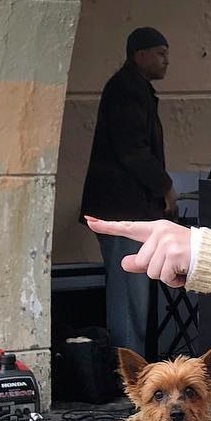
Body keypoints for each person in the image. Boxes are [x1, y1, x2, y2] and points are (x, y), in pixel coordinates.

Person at [80, 27, 176, 357]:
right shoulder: (127, 89)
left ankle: (132, 365)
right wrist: (165, 187)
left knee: (132, 292)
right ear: (141, 55)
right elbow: (133, 151)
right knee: (127, 292)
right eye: (161, 53)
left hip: (125, 209)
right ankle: (129, 370)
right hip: (121, 211)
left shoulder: (133, 87)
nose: (167, 61)